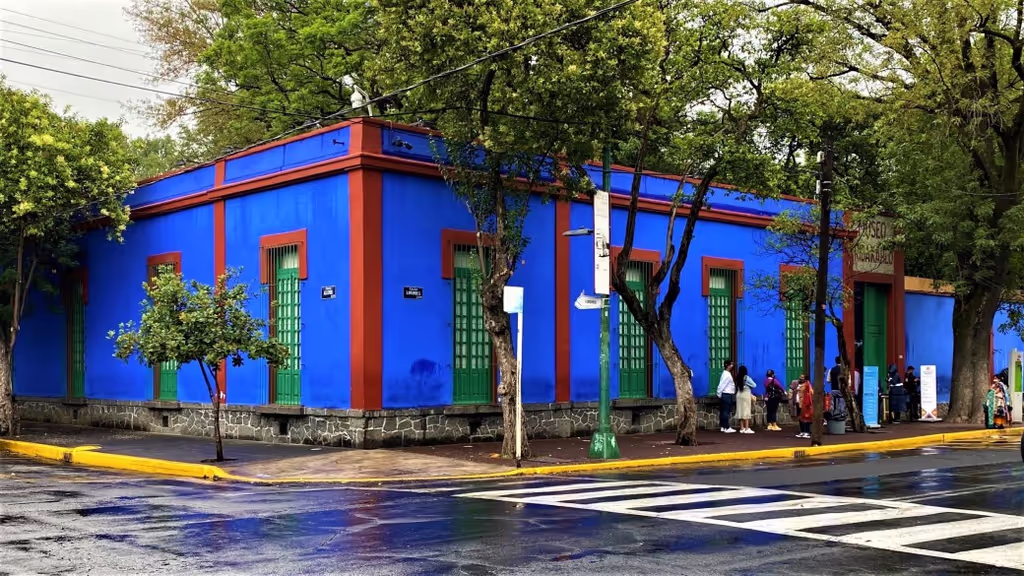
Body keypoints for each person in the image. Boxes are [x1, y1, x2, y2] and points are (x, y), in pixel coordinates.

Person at [734, 365, 757, 434]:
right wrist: (749, 386)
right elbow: (754, 385)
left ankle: (742, 428)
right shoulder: (746, 377)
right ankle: (747, 428)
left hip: (739, 395)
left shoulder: (737, 377)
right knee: (746, 411)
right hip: (746, 395)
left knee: (740, 411)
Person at [716, 359, 737, 433]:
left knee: (724, 411)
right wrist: (719, 394)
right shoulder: (726, 375)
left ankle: (723, 426)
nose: (732, 366)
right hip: (726, 395)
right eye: (731, 364)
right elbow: (722, 385)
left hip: (726, 395)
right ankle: (726, 427)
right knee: (726, 412)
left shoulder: (727, 373)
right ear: (727, 366)